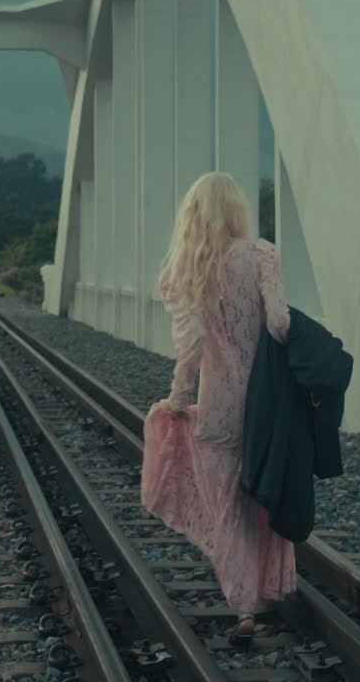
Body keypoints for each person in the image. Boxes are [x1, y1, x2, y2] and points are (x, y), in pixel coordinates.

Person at [141, 170, 296, 646]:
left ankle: (244, 605)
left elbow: (191, 347)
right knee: (264, 495)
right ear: (235, 210)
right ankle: (270, 589)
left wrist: (178, 399)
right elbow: (280, 324)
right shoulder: (262, 254)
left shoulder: (184, 270)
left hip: (219, 406)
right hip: (267, 404)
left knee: (226, 505)